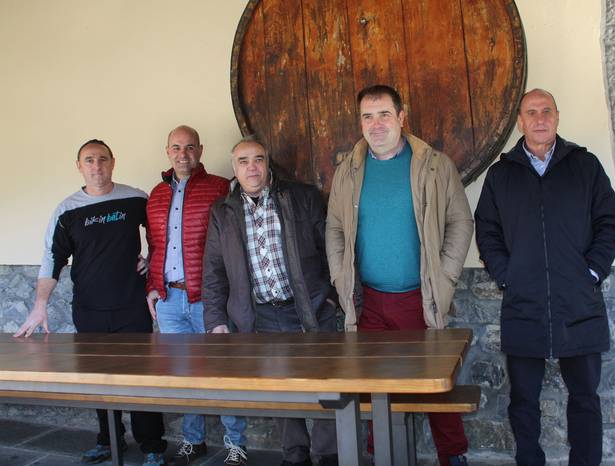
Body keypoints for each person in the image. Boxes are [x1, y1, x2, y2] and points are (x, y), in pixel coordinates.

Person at [474, 88, 615, 466]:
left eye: (546, 111)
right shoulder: (501, 174)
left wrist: (591, 271)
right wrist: (507, 275)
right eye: (531, 112)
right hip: (523, 304)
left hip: (579, 302)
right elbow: (487, 231)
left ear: (557, 117)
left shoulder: (584, 165)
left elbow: (610, 222)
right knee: (523, 400)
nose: (539, 119)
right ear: (520, 122)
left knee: (585, 398)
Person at [326, 84, 473, 466]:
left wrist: (445, 275)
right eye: (367, 117)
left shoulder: (434, 165)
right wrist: (341, 278)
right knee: (374, 384)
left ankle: (452, 455)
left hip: (419, 297)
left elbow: (460, 221)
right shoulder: (348, 171)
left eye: (384, 115)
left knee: (437, 382)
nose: (376, 124)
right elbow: (335, 228)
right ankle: (383, 457)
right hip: (369, 300)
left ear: (401, 117)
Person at [13, 139, 168, 466]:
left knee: (141, 377)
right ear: (79, 166)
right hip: (89, 311)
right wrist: (40, 305)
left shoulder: (135, 199)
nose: (96, 166)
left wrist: (152, 259)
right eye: (89, 160)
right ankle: (109, 440)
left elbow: (163, 235)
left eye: (102, 159)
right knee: (98, 378)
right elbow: (52, 259)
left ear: (113, 162)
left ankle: (152, 446)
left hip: (131, 307)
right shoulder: (67, 210)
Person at [202, 137, 339, 466]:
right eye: (243, 161)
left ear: (267, 163)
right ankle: (295, 455)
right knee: (281, 390)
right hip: (262, 317)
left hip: (310, 309)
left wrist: (333, 299)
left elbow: (330, 249)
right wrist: (216, 320)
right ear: (234, 169)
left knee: (326, 383)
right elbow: (214, 270)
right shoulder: (222, 212)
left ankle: (327, 455)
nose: (252, 167)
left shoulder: (301, 197)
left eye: (258, 159)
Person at [146, 125, 247, 466]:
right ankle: (194, 441)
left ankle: (236, 444)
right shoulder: (156, 194)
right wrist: (152, 287)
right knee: (184, 374)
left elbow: (231, 243)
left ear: (200, 150)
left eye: (189, 147)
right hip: (170, 301)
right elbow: (155, 246)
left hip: (209, 300)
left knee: (222, 371)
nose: (183, 154)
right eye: (176, 147)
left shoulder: (219, 187)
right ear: (167, 151)